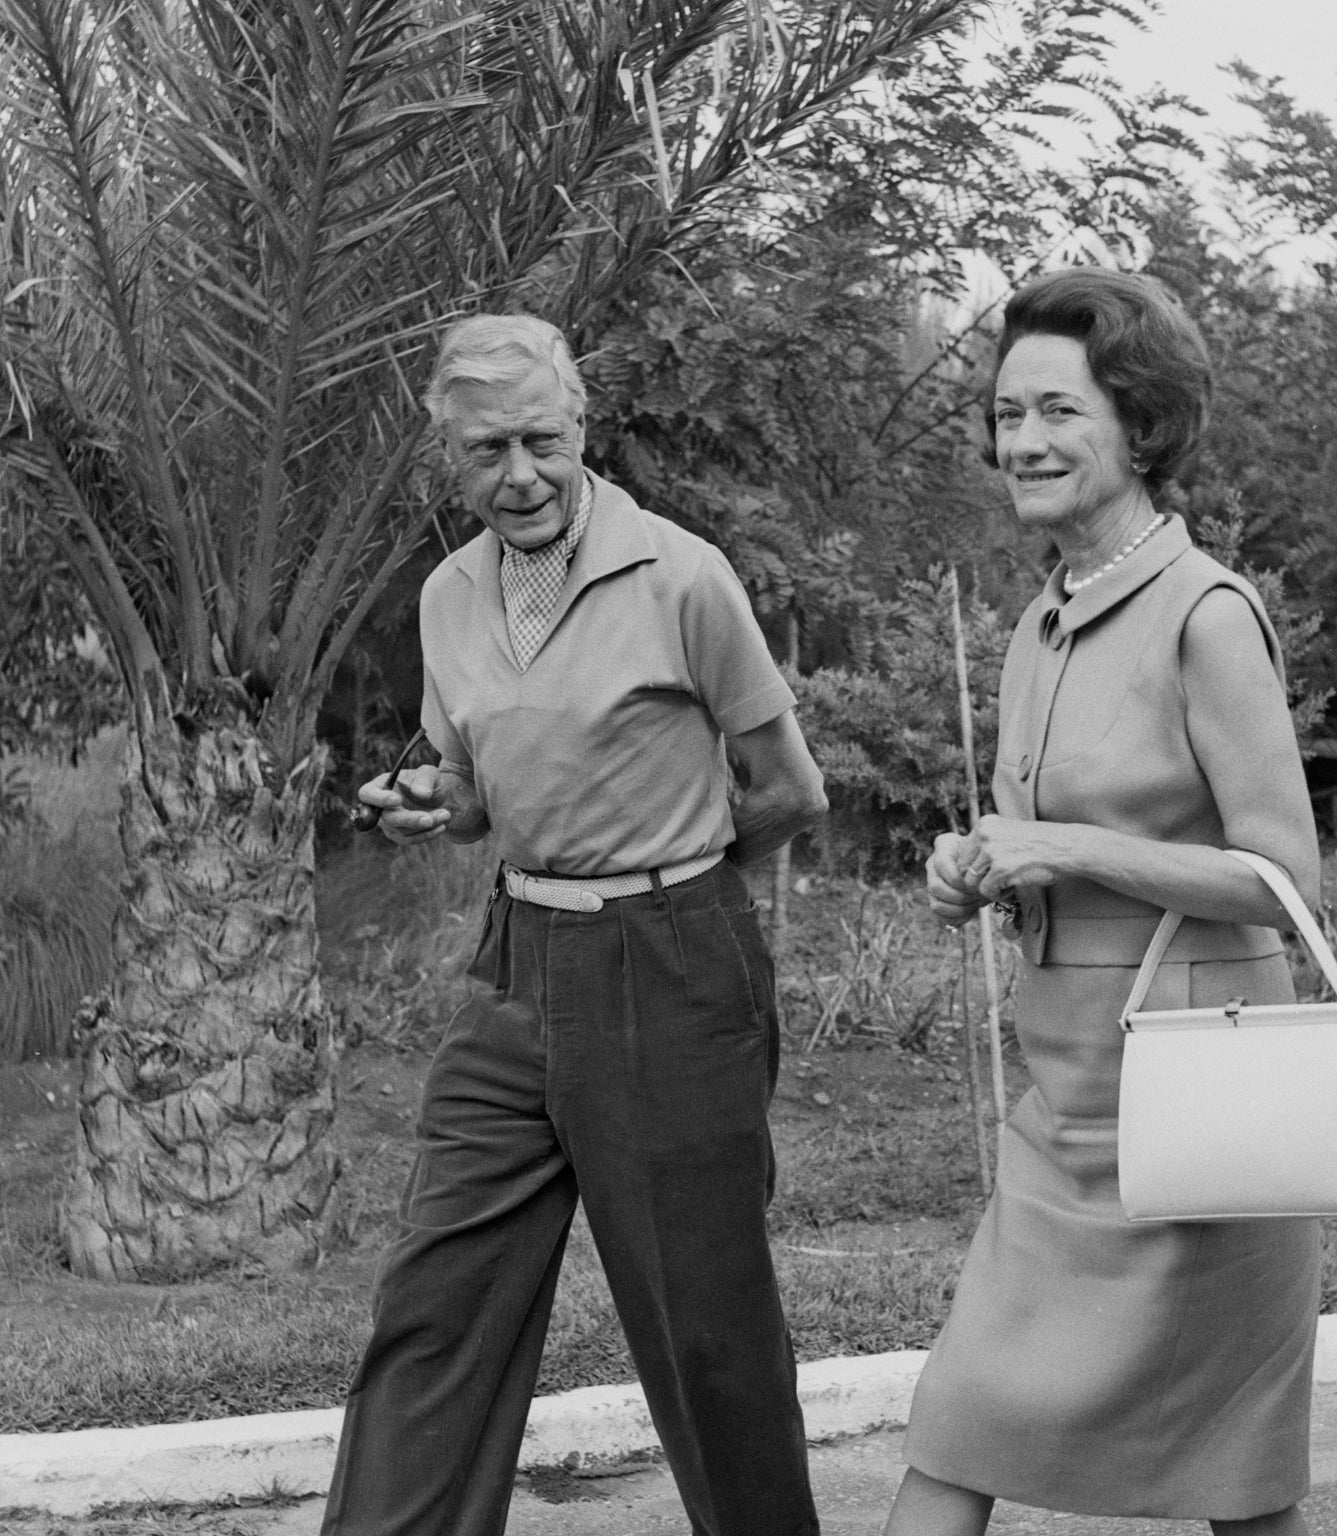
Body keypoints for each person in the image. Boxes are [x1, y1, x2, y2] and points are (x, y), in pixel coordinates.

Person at [322, 314, 830, 1536]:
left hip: (669, 964)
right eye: (485, 451)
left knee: (701, 1327)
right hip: (512, 971)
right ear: (449, 462)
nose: (519, 476)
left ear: (582, 430)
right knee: (436, 1302)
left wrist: (682, 888)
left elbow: (787, 789)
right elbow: (472, 787)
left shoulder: (682, 576)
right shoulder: (449, 597)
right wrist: (431, 806)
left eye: (540, 441)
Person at [887, 269, 1324, 1536]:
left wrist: (1065, 846)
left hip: (1201, 1098)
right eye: (1005, 413)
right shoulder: (1040, 621)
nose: (1020, 440)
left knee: (1237, 1480)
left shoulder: (1205, 613)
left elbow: (1281, 883)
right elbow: (1044, 853)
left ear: (1138, 425)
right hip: (1065, 1102)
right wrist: (972, 871)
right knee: (958, 1415)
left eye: (1057, 413)